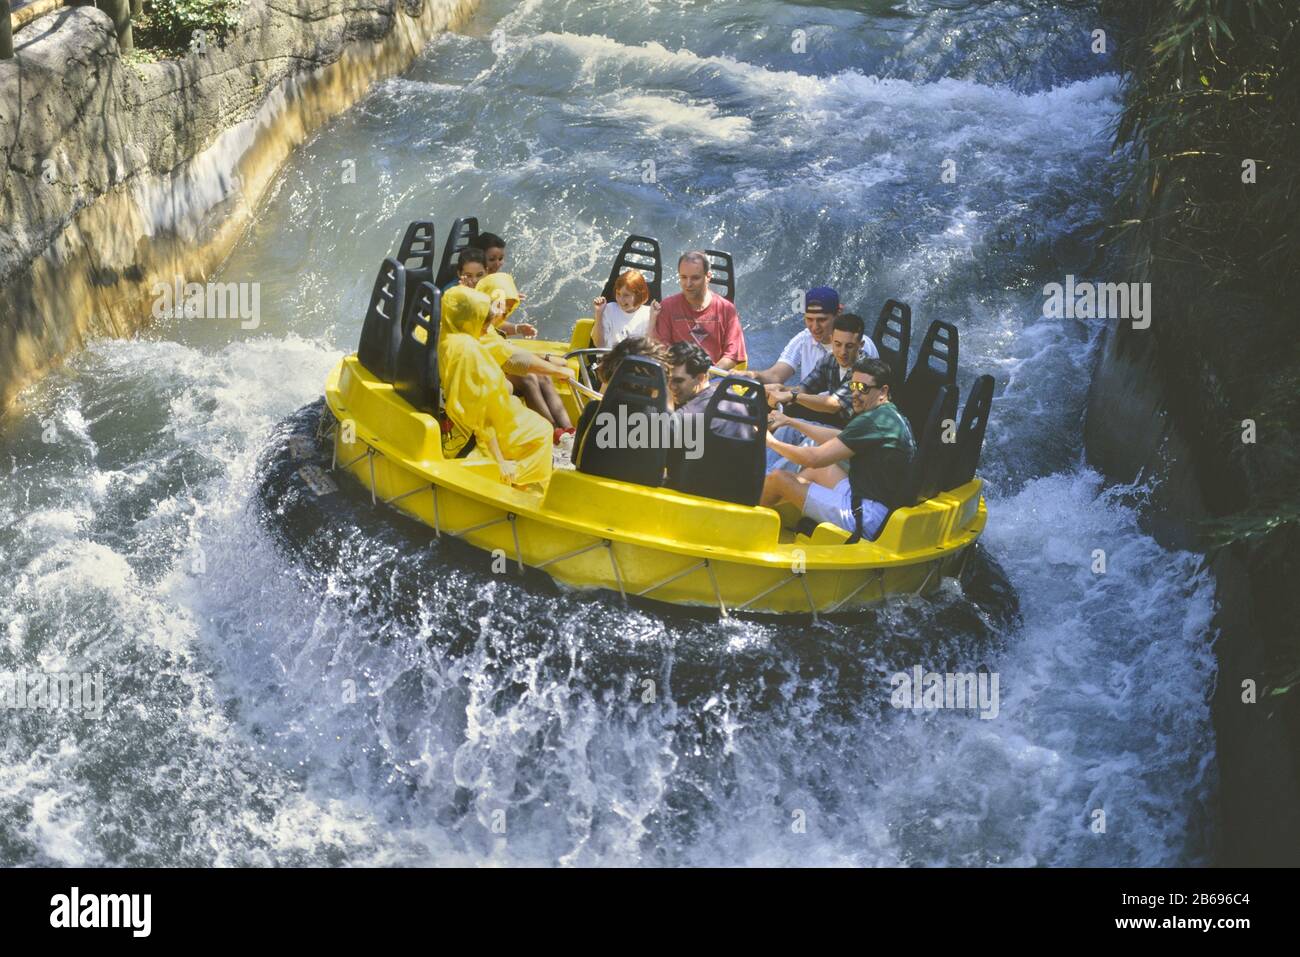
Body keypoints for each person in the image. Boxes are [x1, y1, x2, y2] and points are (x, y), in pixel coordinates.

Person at [761, 357, 915, 541]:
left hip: (865, 517)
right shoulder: (887, 414)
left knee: (779, 478)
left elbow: (813, 458)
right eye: (853, 386)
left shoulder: (872, 421)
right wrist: (790, 421)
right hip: (870, 500)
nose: (855, 394)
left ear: (883, 391)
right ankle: (785, 511)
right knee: (822, 470)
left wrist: (770, 441)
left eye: (863, 388)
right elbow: (838, 438)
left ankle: (746, 523)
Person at [438, 285, 553, 487]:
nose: (485, 329)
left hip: (489, 416)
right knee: (542, 432)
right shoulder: (467, 352)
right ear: (468, 320)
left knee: (538, 424)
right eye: (483, 323)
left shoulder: (447, 335)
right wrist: (499, 461)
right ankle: (513, 479)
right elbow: (480, 417)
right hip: (480, 431)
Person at [764, 312, 868, 472]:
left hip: (853, 441)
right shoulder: (829, 359)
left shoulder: (864, 371)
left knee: (809, 443)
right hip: (833, 426)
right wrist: (780, 391)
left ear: (860, 345)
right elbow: (805, 388)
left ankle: (769, 479)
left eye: (849, 346)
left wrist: (791, 395)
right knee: (786, 428)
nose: (842, 352)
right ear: (832, 339)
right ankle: (761, 473)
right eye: (837, 344)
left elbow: (833, 404)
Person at [476, 272, 574, 433]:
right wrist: (557, 370)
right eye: (500, 307)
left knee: (542, 375)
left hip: (492, 368)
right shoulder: (482, 326)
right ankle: (553, 431)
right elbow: (511, 358)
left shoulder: (487, 323)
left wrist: (549, 362)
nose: (502, 314)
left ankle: (567, 430)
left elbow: (508, 351)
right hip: (484, 375)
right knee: (528, 376)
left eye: (507, 311)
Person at [651, 251, 747, 369]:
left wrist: (707, 377)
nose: (688, 284)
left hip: (714, 376)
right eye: (683, 277)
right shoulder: (667, 307)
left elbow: (732, 356)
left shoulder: (727, 309)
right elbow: (662, 351)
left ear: (708, 277)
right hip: (678, 376)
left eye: (695, 278)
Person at [750, 286, 844, 386]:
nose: (815, 327)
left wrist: (793, 395)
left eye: (822, 320)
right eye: (809, 319)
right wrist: (753, 375)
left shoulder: (856, 346)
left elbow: (843, 399)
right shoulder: (804, 338)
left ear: (838, 314)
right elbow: (776, 375)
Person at [592, 268, 659, 347]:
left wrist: (653, 319)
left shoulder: (649, 313)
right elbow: (599, 345)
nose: (621, 300)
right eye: (618, 294)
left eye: (626, 295)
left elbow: (650, 348)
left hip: (635, 359)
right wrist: (599, 313)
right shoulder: (609, 309)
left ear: (639, 295)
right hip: (610, 358)